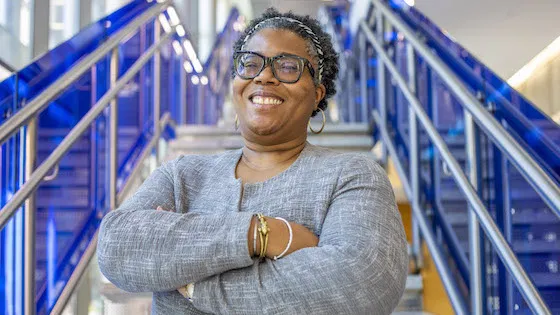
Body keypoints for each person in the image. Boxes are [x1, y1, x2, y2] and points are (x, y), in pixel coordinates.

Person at [97, 8, 408, 315]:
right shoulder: (183, 175)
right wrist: (263, 234)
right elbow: (116, 246)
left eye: (288, 66)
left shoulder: (352, 176)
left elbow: (362, 283)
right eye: (250, 64)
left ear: (317, 94)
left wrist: (196, 287)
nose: (264, 76)